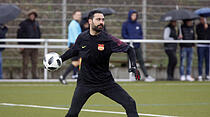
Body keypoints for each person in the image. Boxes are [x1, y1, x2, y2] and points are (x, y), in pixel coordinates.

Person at [58, 10, 140, 117]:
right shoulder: (82, 37)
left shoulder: (108, 39)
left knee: (130, 103)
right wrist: (59, 59)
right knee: (72, 113)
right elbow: (73, 51)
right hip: (85, 83)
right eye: (98, 19)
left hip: (105, 82)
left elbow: (130, 49)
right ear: (90, 21)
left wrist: (133, 66)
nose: (101, 22)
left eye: (103, 20)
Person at [122, 9, 155, 82]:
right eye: (132, 15)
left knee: (141, 61)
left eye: (135, 15)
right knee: (131, 62)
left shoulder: (138, 25)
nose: (134, 16)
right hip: (129, 47)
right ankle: (132, 76)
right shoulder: (125, 24)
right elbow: (124, 34)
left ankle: (146, 76)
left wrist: (136, 40)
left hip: (137, 46)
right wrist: (130, 41)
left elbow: (141, 35)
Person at [17, 9, 41, 79]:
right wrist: (21, 44)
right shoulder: (23, 23)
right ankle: (24, 76)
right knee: (25, 62)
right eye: (31, 15)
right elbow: (19, 34)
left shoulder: (36, 23)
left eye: (33, 15)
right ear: (29, 15)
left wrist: (38, 43)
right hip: (26, 46)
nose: (32, 16)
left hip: (34, 46)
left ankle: (34, 76)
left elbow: (39, 33)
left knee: (35, 62)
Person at [59, 10, 82, 84]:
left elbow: (70, 36)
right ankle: (63, 76)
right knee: (77, 62)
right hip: (76, 45)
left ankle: (78, 77)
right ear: (73, 15)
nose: (79, 16)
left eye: (80, 15)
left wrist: (69, 46)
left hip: (74, 44)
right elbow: (76, 37)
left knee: (79, 61)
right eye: (77, 14)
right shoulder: (74, 24)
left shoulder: (75, 24)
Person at [196, 16, 210, 81]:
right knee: (200, 61)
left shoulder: (208, 26)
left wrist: (207, 28)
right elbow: (199, 34)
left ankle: (207, 75)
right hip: (201, 45)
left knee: (208, 61)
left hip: (208, 46)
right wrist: (204, 29)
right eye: (201, 19)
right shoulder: (198, 26)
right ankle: (200, 75)